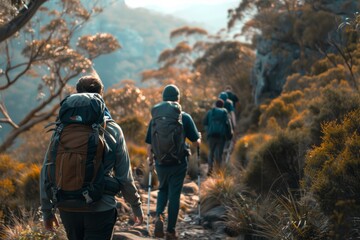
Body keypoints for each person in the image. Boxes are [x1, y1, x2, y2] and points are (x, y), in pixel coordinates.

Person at [40, 75, 144, 240]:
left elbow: (46, 170)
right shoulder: (112, 129)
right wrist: (136, 205)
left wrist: (47, 211)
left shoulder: (61, 129)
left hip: (67, 206)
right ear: (100, 95)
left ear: (77, 94)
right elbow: (124, 176)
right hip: (100, 207)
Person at [145, 84, 201, 239]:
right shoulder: (184, 117)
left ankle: (159, 217)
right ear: (178, 99)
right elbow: (196, 141)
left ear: (163, 99)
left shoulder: (155, 119)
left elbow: (149, 145)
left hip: (161, 163)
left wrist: (150, 160)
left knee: (162, 189)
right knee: (174, 195)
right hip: (178, 163)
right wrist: (199, 138)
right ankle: (170, 231)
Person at [203, 99, 232, 175]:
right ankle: (218, 171)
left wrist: (208, 131)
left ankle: (210, 169)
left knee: (211, 152)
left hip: (211, 136)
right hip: (221, 136)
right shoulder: (225, 113)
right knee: (219, 154)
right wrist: (229, 135)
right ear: (222, 105)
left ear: (215, 105)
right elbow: (228, 124)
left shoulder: (210, 112)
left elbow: (204, 122)